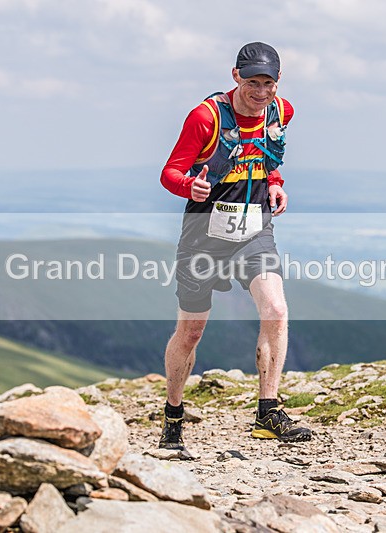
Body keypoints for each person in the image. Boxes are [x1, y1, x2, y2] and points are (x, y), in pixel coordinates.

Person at [158, 42, 312, 451]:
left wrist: (275, 183)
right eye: (252, 83)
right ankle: (173, 415)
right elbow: (170, 172)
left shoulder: (281, 112)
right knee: (190, 332)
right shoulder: (205, 117)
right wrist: (189, 186)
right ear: (235, 77)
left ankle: (268, 413)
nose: (260, 92)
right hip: (204, 233)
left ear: (278, 82)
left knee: (275, 309)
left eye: (268, 84)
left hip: (254, 228)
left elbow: (268, 157)